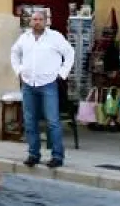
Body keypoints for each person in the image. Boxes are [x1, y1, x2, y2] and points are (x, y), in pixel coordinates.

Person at [9, 11, 74, 167]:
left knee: (53, 121)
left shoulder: (55, 37)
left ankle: (57, 156)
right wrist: (18, 70)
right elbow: (14, 53)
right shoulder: (24, 38)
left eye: (40, 19)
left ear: (46, 21)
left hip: (48, 84)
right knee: (30, 121)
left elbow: (70, 53)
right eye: (34, 19)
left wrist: (62, 73)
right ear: (30, 21)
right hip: (28, 84)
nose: (37, 22)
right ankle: (33, 154)